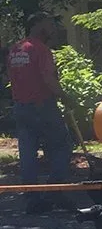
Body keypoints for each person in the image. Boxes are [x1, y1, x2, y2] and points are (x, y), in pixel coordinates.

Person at [6, 14, 74, 213]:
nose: (52, 28)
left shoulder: (15, 49)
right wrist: (63, 95)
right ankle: (54, 191)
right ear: (36, 24)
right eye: (48, 24)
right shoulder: (40, 49)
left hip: (21, 107)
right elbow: (47, 78)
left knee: (28, 153)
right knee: (62, 146)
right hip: (42, 105)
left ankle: (32, 198)